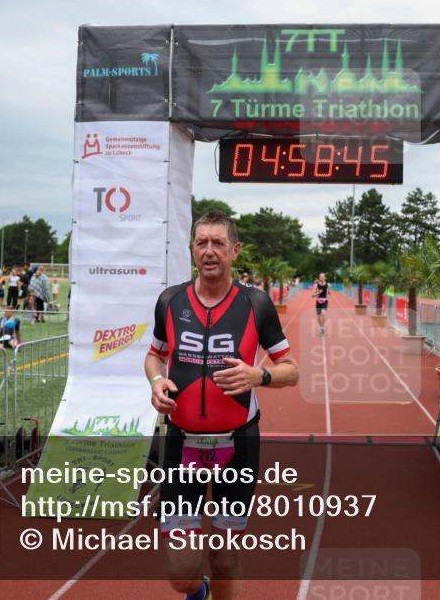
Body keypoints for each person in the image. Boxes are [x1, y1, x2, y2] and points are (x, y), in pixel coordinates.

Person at [145, 211, 298, 600]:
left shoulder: (256, 303)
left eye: (218, 243)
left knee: (225, 557)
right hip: (181, 443)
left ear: (235, 250)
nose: (209, 251)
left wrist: (258, 376)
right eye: (201, 243)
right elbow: (154, 356)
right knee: (181, 574)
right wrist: (156, 381)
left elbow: (291, 370)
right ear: (192, 249)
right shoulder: (170, 300)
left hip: (238, 443)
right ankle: (198, 592)